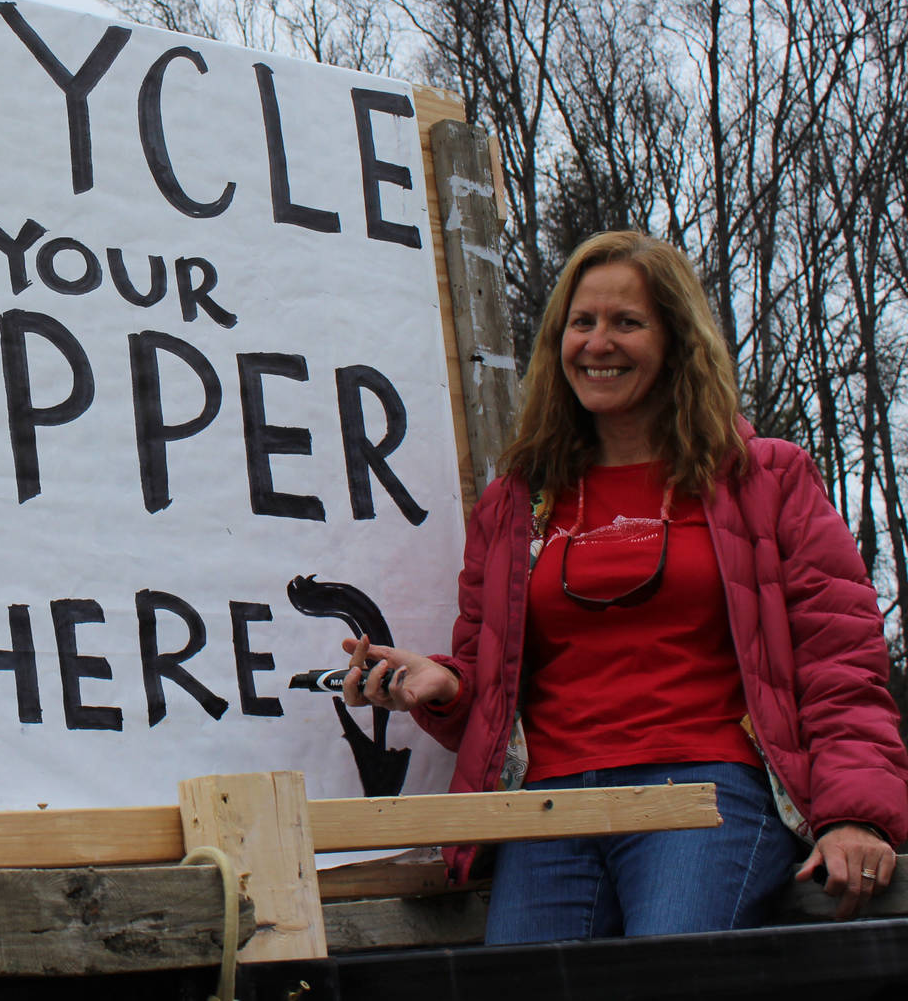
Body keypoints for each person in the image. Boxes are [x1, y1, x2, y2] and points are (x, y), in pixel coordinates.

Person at [342, 230, 908, 941]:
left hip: (704, 797)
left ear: (677, 340)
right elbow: (494, 690)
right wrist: (447, 687)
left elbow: (841, 663)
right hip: (546, 808)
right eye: (582, 322)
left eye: (626, 322)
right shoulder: (516, 503)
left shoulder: (766, 479)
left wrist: (855, 815)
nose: (598, 342)